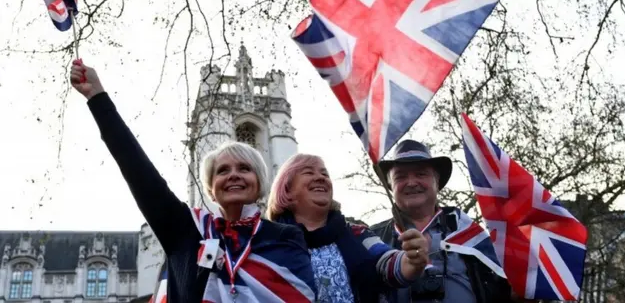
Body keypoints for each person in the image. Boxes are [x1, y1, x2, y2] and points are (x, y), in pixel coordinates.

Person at [70, 59, 316, 303]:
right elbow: (137, 169)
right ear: (211, 187)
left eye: (244, 168)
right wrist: (98, 99)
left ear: (260, 182)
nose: (233, 175)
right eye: (222, 171)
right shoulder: (186, 230)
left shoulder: (285, 236)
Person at [370, 139, 537, 303]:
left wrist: (519, 296)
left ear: (437, 182)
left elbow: (502, 291)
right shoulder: (372, 240)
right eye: (400, 177)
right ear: (390, 186)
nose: (412, 182)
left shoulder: (472, 235)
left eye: (421, 174)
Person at [266, 153, 431, 303]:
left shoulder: (358, 233)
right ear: (286, 190)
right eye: (309, 172)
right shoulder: (268, 242)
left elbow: (386, 261)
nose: (320, 178)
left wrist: (411, 261)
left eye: (324, 174)